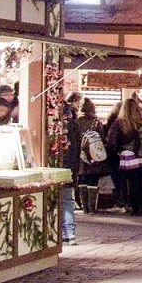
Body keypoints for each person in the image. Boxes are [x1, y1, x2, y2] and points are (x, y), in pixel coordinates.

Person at [104, 96, 142, 215]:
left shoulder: (120, 122)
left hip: (127, 155)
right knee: (141, 180)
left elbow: (111, 141)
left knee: (131, 181)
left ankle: (135, 208)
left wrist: (116, 150)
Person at [71, 98, 112, 212]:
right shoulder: (96, 123)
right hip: (94, 156)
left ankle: (84, 208)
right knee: (93, 181)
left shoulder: (76, 123)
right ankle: (92, 208)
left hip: (81, 156)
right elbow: (102, 140)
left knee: (82, 180)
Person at [58, 92, 81, 243]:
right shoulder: (75, 126)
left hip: (61, 167)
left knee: (63, 199)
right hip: (71, 167)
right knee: (67, 200)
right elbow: (77, 148)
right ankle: (70, 233)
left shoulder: (60, 127)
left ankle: (63, 232)